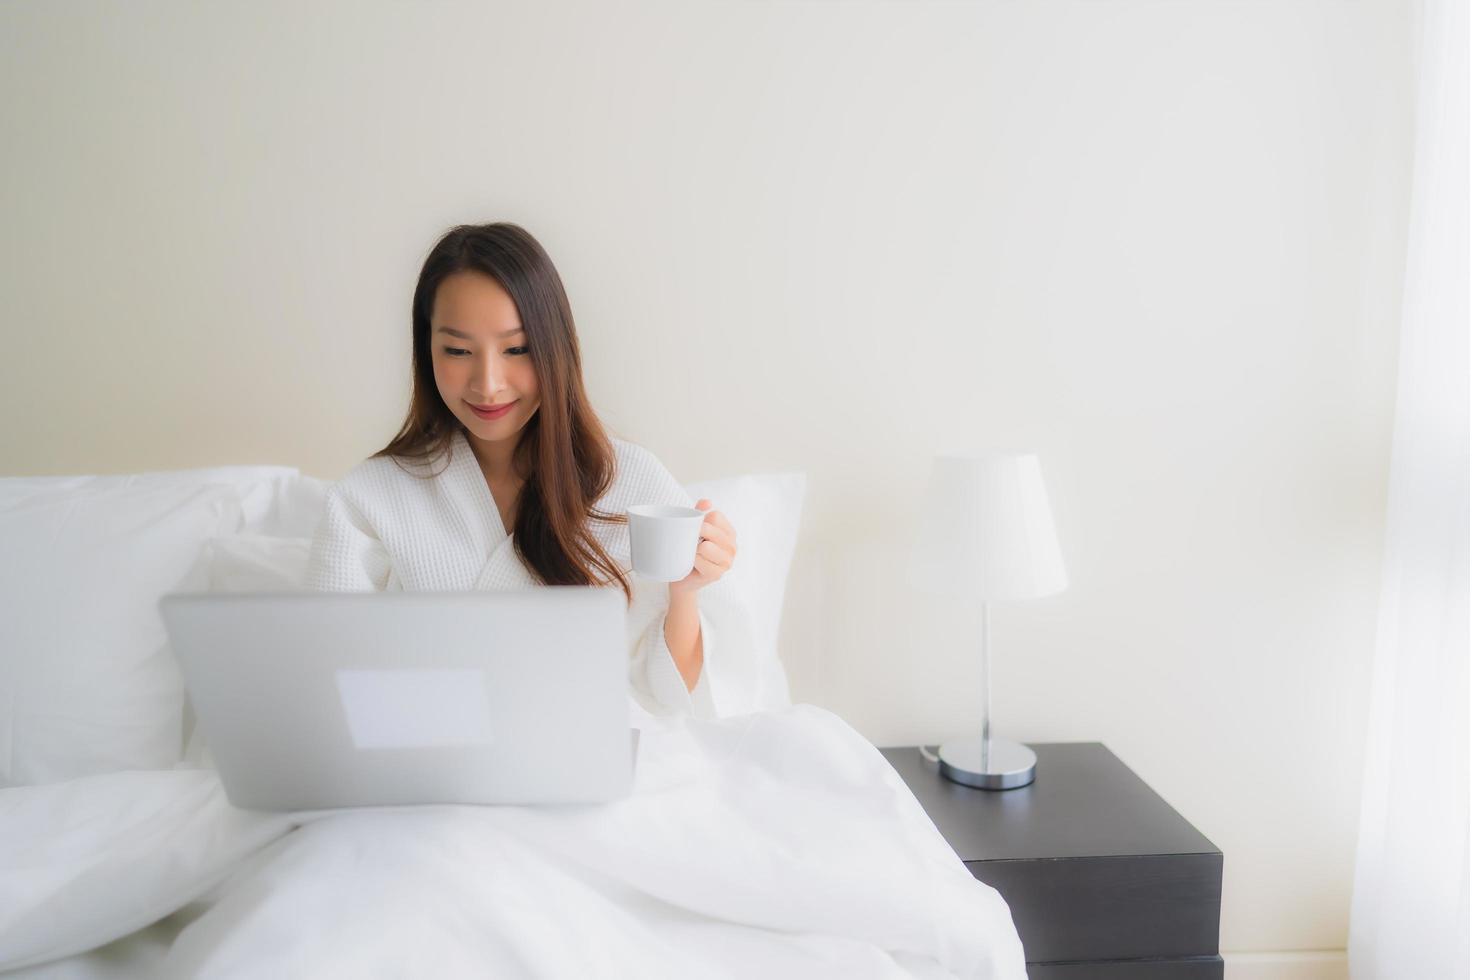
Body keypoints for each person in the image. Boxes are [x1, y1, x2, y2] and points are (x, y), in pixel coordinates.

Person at [303, 221, 755, 721]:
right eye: (457, 351)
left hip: (588, 766)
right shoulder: (369, 498)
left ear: (554, 347)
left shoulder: (632, 481)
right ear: (425, 350)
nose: (488, 383)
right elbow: (330, 685)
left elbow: (673, 698)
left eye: (516, 349)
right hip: (431, 772)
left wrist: (684, 590)